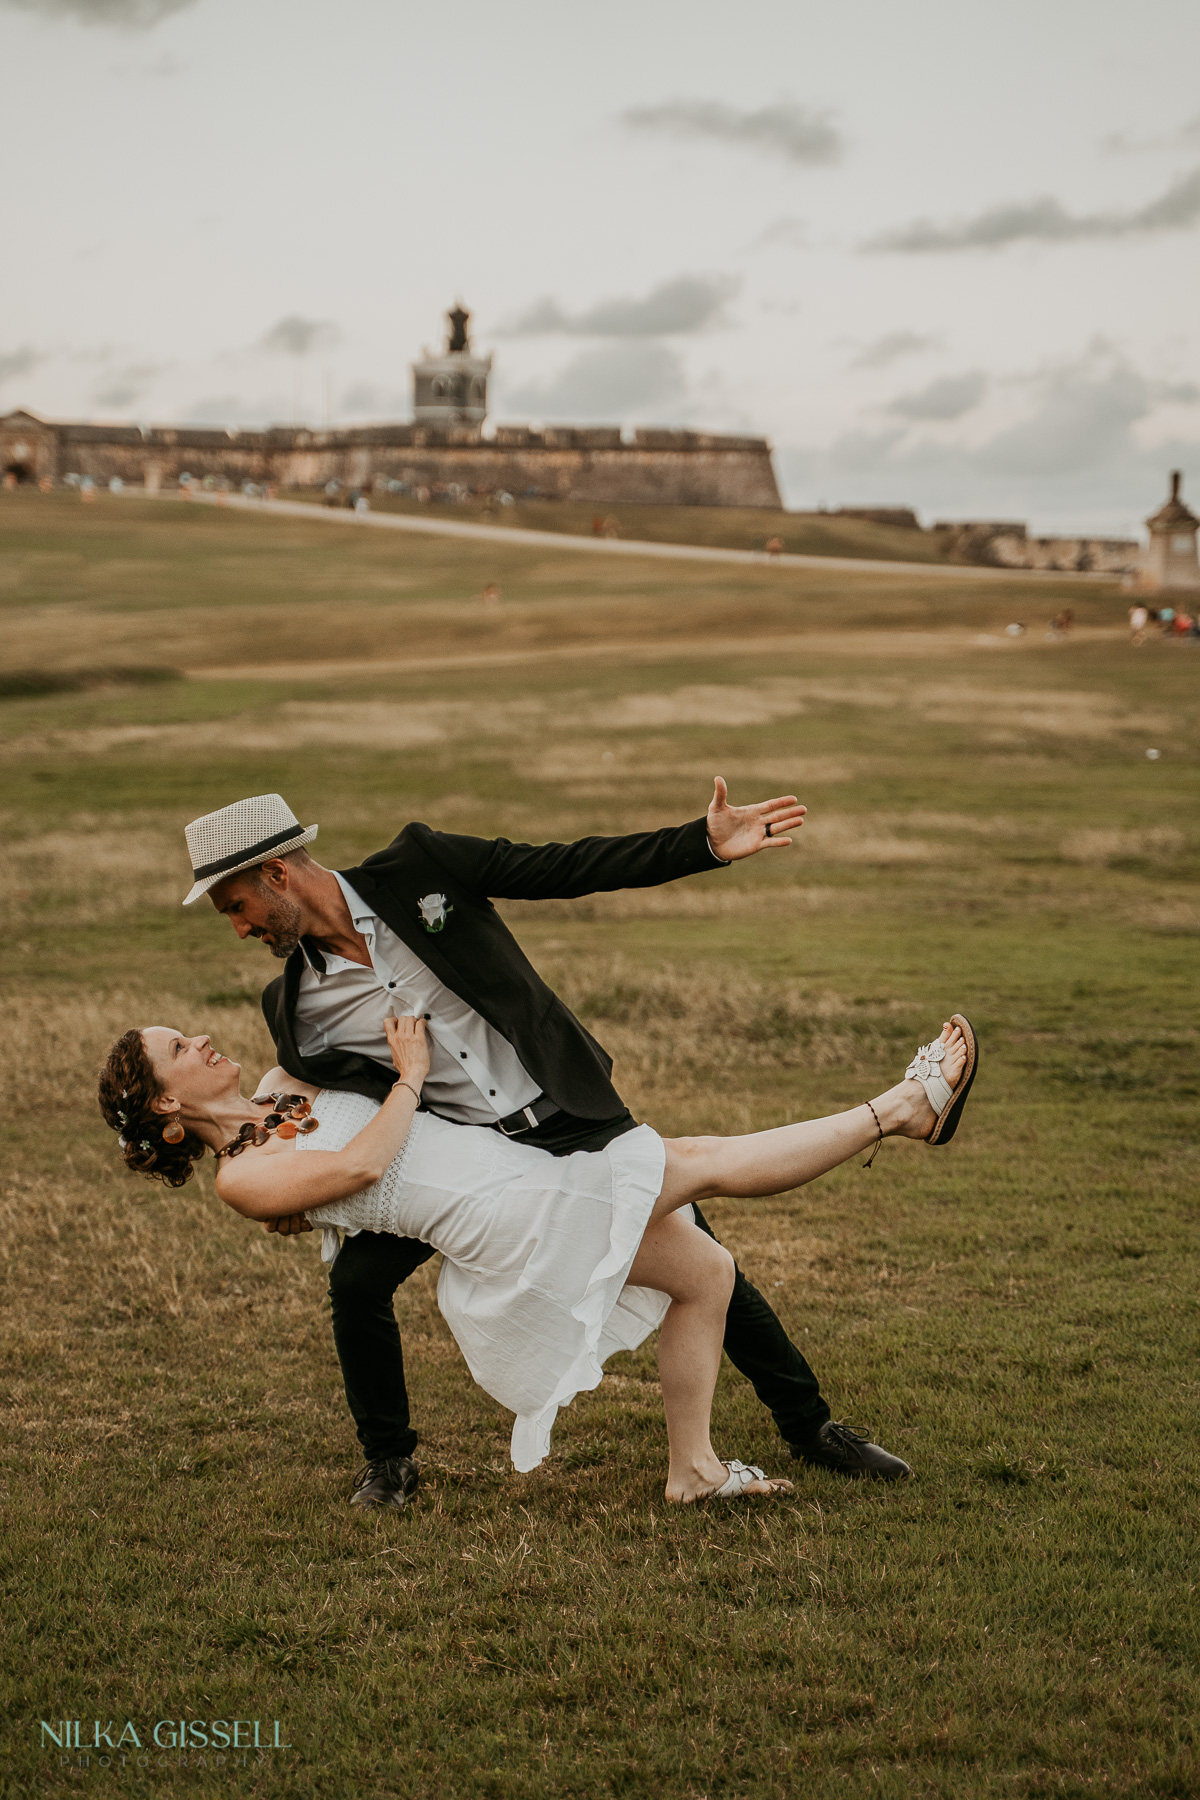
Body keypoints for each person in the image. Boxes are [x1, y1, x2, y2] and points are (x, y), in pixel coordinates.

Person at [172, 789, 915, 1509]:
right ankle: (388, 1463)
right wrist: (295, 1195)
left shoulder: (419, 868)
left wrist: (702, 844)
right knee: (357, 1286)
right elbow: (323, 1105)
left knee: (692, 1243)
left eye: (235, 906)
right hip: (468, 1163)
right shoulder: (296, 1010)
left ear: (277, 872)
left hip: (563, 1109)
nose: (238, 929)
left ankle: (810, 1426)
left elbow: (565, 867)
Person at [97, 1014, 976, 1504]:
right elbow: (362, 1167)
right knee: (701, 1160)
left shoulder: (284, 1088)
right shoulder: (242, 1178)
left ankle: (694, 1472)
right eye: (179, 1048)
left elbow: (351, 1081)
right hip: (505, 1212)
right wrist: (409, 1075)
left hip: (517, 1172)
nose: (202, 1038)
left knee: (705, 1274)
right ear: (168, 1104)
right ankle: (902, 1109)